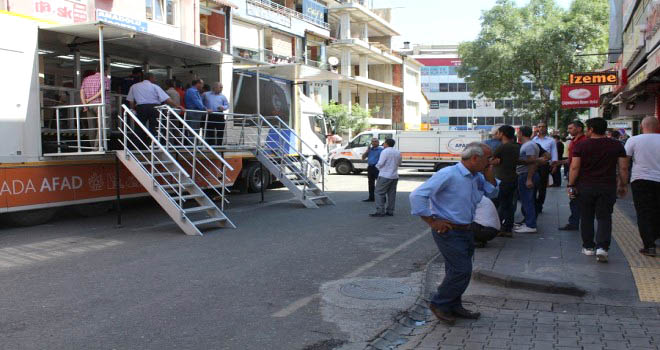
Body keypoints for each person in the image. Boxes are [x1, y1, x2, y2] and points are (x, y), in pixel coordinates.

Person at [409, 142, 499, 325]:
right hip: (449, 231)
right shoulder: (448, 174)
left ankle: (453, 305)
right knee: (461, 270)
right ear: (475, 158)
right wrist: (432, 222)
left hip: (467, 229)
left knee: (456, 270)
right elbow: (417, 196)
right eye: (488, 159)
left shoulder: (476, 177)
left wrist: (489, 174)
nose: (491, 162)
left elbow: (493, 193)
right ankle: (439, 303)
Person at [568, 118, 629, 263]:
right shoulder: (616, 145)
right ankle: (602, 248)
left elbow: (575, 167)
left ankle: (588, 247)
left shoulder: (581, 145)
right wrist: (623, 185)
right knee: (604, 217)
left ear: (591, 129)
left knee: (587, 216)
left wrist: (571, 185)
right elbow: (623, 168)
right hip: (607, 187)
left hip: (585, 187)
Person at [625, 116, 660, 257]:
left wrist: (622, 181)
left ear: (641, 126)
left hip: (640, 180)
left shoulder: (633, 140)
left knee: (643, 212)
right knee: (657, 209)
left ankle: (649, 245)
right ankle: (654, 235)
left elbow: (625, 161)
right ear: (657, 126)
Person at [126, 73, 184, 147]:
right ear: (151, 78)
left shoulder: (134, 86)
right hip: (154, 108)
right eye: (154, 78)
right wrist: (177, 106)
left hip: (140, 108)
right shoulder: (155, 87)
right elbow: (166, 99)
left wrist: (132, 110)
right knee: (155, 127)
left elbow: (131, 100)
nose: (155, 80)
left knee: (139, 127)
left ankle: (139, 146)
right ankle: (153, 144)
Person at [492, 125, 520, 237]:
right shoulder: (516, 146)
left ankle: (495, 227)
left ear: (502, 134)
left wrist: (494, 161)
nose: (496, 135)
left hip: (502, 179)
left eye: (498, 133)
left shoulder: (503, 147)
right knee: (508, 205)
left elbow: (490, 160)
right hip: (512, 178)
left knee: (499, 204)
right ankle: (507, 228)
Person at [559, 120, 586, 231]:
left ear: (579, 128)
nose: (568, 130)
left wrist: (570, 183)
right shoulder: (573, 141)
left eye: (571, 128)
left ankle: (575, 223)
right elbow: (571, 160)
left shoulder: (584, 141)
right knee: (573, 199)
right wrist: (561, 162)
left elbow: (577, 163)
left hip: (578, 176)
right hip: (572, 173)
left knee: (575, 198)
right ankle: (574, 222)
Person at [514, 126, 540, 234]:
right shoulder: (528, 144)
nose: (517, 135)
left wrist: (529, 179)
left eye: (518, 132)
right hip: (525, 175)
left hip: (527, 175)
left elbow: (533, 162)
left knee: (527, 201)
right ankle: (528, 222)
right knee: (526, 200)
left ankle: (531, 225)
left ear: (521, 133)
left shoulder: (529, 145)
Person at [79, 64, 110, 149]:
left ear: (96, 69)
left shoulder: (86, 79)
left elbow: (81, 92)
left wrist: (85, 104)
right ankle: (98, 146)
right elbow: (102, 92)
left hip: (89, 106)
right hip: (101, 105)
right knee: (102, 126)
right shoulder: (105, 79)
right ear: (106, 70)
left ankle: (93, 146)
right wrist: (89, 99)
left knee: (91, 127)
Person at [532, 121, 558, 214]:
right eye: (539, 127)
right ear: (537, 128)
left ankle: (539, 205)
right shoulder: (533, 140)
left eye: (543, 126)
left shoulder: (551, 140)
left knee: (542, 186)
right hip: (534, 165)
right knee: (533, 185)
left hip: (544, 165)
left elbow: (554, 153)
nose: (541, 128)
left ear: (546, 128)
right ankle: (533, 204)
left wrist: (554, 165)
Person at [370, 139, 401, 217]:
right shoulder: (397, 152)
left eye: (384, 143)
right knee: (391, 194)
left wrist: (377, 167)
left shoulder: (385, 151)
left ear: (386, 144)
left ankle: (380, 211)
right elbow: (399, 163)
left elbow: (380, 163)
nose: (383, 144)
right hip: (394, 175)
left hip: (385, 175)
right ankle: (390, 211)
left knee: (379, 192)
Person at [361, 138, 383, 202]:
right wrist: (367, 151)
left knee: (380, 184)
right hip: (370, 168)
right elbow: (363, 158)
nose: (374, 143)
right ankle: (371, 197)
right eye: (372, 142)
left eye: (375, 141)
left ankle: (381, 198)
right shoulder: (370, 150)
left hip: (377, 168)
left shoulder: (381, 150)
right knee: (370, 183)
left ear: (378, 143)